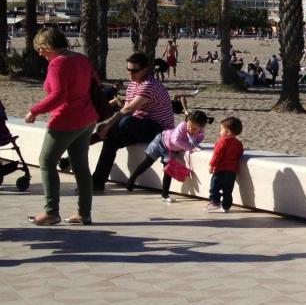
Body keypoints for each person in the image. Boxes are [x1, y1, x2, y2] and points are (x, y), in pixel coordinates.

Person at [23, 28, 99, 226]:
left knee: (46, 161)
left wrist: (34, 111)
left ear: (48, 46)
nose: (39, 53)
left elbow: (58, 96)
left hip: (67, 120)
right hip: (87, 118)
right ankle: (84, 213)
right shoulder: (81, 59)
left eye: (40, 48)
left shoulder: (57, 64)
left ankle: (51, 212)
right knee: (81, 167)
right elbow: (94, 84)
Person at [91, 52, 176, 193]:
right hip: (138, 126)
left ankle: (94, 138)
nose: (131, 74)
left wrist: (107, 125)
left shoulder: (150, 85)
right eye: (128, 69)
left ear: (145, 70)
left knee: (126, 121)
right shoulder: (132, 85)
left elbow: (129, 109)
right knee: (111, 140)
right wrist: (109, 126)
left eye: (134, 70)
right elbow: (125, 108)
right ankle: (97, 182)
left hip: (158, 130)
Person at [125, 110, 210, 202]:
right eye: (189, 127)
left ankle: (165, 194)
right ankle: (132, 179)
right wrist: (190, 148)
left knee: (168, 170)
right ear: (186, 122)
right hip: (160, 141)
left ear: (201, 128)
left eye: (194, 129)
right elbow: (175, 140)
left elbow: (195, 143)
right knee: (147, 162)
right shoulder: (182, 125)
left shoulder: (201, 135)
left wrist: (195, 146)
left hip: (170, 150)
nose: (190, 130)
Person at [206, 116, 244, 213]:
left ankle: (215, 203)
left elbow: (217, 154)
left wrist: (211, 165)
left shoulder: (222, 141)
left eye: (221, 130)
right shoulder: (239, 144)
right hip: (232, 171)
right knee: (228, 190)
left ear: (228, 132)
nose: (220, 132)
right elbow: (239, 155)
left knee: (214, 187)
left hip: (221, 169)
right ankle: (226, 206)